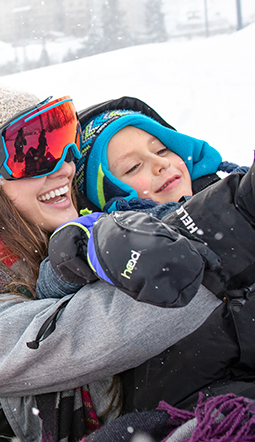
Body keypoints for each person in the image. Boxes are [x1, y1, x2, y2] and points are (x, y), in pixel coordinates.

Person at [0, 69, 221, 440]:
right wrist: (220, 260)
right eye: (33, 154)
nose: (65, 166)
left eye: (63, 143)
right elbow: (73, 338)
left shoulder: (99, 224)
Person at [37, 96, 255, 412]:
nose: (160, 163)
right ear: (104, 192)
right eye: (133, 166)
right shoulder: (115, 231)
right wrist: (83, 248)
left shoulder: (226, 193)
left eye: (162, 149)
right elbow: (53, 282)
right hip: (198, 389)